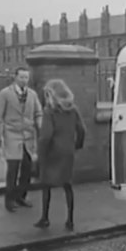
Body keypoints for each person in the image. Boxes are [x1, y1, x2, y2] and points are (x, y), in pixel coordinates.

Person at [34, 78, 86, 230]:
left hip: (52, 153)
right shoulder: (73, 109)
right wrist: (77, 145)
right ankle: (70, 220)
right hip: (68, 151)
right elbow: (82, 130)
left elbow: (45, 136)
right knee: (67, 185)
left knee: (46, 185)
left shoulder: (49, 112)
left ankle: (45, 218)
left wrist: (40, 154)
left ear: (51, 94)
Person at [0, 67, 43, 212]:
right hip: (12, 135)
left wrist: (40, 125)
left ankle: (21, 196)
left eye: (26, 77)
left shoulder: (32, 95)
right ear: (15, 77)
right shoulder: (5, 94)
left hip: (28, 136)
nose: (24, 80)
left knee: (27, 169)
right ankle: (9, 200)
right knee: (13, 169)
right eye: (21, 77)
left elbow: (38, 112)